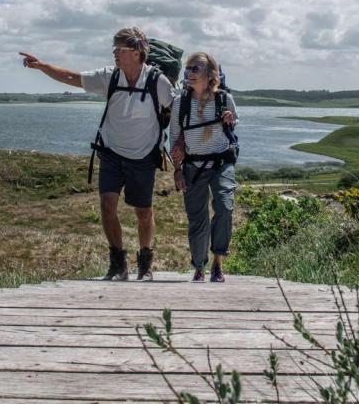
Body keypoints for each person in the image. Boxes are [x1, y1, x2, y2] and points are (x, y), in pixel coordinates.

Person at [20, 27, 174, 281]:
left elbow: (177, 110)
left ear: (136, 53)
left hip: (144, 155)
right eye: (114, 49)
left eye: (120, 50)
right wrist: (42, 66)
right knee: (106, 205)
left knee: (144, 212)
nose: (115, 53)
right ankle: (118, 265)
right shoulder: (109, 77)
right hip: (111, 152)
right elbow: (73, 78)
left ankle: (145, 264)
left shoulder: (158, 82)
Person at [170, 52, 238, 283]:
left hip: (221, 162)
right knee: (197, 218)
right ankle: (199, 267)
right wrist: (177, 170)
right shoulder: (180, 103)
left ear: (211, 75)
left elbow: (233, 124)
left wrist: (229, 119)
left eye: (195, 69)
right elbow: (175, 138)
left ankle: (217, 264)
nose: (189, 73)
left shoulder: (224, 99)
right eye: (187, 69)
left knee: (225, 206)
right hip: (193, 166)